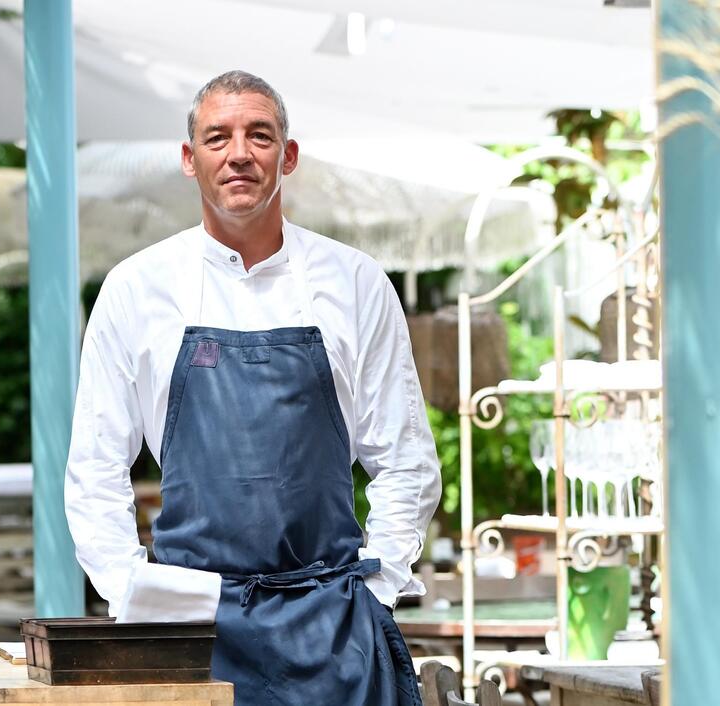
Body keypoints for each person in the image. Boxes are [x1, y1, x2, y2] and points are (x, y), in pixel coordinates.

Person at [65, 71, 439, 705]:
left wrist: (379, 588)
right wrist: (132, 591)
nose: (239, 153)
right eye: (218, 137)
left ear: (287, 155)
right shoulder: (135, 289)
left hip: (333, 631)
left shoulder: (356, 283)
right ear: (191, 159)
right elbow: (96, 466)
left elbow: (405, 459)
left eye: (258, 135)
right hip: (188, 628)